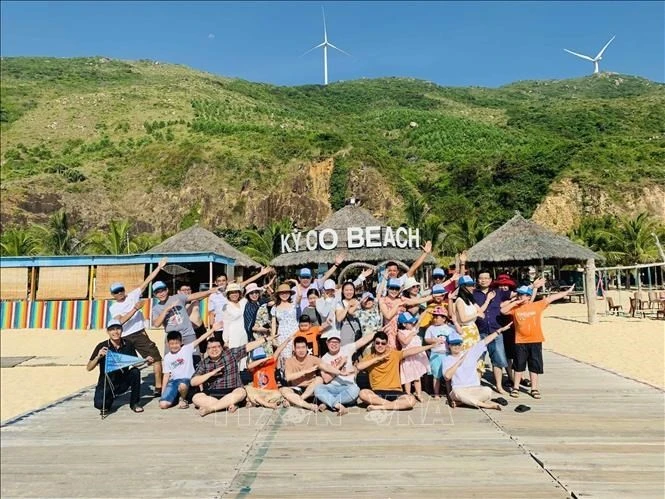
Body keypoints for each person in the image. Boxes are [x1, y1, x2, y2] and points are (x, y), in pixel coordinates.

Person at [500, 283, 575, 399]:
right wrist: (515, 302)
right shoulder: (515, 308)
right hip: (520, 341)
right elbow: (503, 311)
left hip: (535, 340)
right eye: (519, 294)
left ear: (529, 296)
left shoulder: (537, 305)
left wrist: (566, 292)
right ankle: (516, 387)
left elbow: (551, 298)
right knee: (519, 365)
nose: (520, 296)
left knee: (534, 364)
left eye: (523, 295)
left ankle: (534, 388)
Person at [109, 257, 167, 396]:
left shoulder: (133, 295)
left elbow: (147, 281)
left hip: (139, 333)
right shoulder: (114, 307)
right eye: (116, 292)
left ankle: (159, 387)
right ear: (112, 295)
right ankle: (123, 387)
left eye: (121, 290)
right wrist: (135, 309)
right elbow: (120, 321)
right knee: (130, 364)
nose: (119, 293)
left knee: (156, 358)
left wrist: (159, 267)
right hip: (126, 336)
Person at [356, 331, 437, 411]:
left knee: (411, 400)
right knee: (363, 393)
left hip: (395, 391)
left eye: (383, 343)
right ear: (373, 343)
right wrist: (377, 359)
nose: (380, 345)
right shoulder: (369, 358)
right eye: (377, 343)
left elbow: (412, 350)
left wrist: (431, 346)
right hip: (377, 393)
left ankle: (381, 407)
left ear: (387, 344)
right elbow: (359, 367)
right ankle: (390, 405)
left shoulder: (393, 354)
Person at [190, 334, 269, 417]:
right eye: (210, 348)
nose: (214, 350)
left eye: (217, 347)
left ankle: (210, 409)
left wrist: (264, 339)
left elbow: (247, 347)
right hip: (213, 393)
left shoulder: (230, 354)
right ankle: (228, 405)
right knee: (196, 398)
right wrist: (211, 374)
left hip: (232, 390)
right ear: (207, 350)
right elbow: (193, 382)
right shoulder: (204, 363)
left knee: (241, 393)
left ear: (222, 347)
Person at [87, 319, 154, 416]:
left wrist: (146, 361)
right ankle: (110, 397)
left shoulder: (128, 344)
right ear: (108, 332)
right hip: (107, 383)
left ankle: (134, 403)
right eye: (112, 329)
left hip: (123, 381)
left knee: (135, 372)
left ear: (122, 330)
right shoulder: (102, 346)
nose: (115, 332)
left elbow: (135, 363)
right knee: (101, 405)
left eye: (118, 329)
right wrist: (98, 356)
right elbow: (89, 368)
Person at [443, 326, 512, 411]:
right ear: (449, 345)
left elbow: (485, 341)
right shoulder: (447, 359)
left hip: (474, 388)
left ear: (462, 344)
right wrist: (459, 362)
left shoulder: (469, 353)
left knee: (488, 391)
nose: (456, 346)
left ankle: (462, 402)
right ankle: (486, 405)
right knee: (458, 394)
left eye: (458, 343)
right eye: (453, 344)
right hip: (459, 389)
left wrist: (499, 331)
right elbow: (447, 377)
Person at [152, 280, 220, 355]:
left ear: (167, 290)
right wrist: (165, 310)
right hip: (172, 338)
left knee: (195, 359)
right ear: (154, 294)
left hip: (188, 335)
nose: (161, 294)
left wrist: (209, 291)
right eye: (157, 292)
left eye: (162, 290)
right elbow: (156, 324)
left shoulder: (177, 297)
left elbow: (194, 296)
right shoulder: (156, 308)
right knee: (173, 361)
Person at [314, 330, 374, 415]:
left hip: (348, 386)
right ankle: (339, 405)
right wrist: (340, 364)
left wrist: (377, 332)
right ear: (327, 343)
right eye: (331, 342)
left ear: (340, 343)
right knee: (318, 389)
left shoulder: (346, 349)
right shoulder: (324, 358)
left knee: (355, 390)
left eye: (336, 342)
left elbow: (362, 341)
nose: (334, 344)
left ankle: (329, 403)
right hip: (332, 387)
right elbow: (326, 379)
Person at [280, 336, 345, 412]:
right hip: (297, 388)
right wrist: (305, 371)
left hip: (312, 389)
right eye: (298, 348)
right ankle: (309, 406)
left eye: (303, 347)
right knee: (283, 389)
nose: (301, 350)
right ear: (294, 349)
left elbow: (326, 366)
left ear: (307, 348)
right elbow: (288, 377)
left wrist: (340, 372)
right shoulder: (289, 361)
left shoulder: (313, 359)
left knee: (319, 379)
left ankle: (298, 400)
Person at [159, 325, 216, 410]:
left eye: (176, 343)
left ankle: (182, 399)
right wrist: (162, 393)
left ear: (181, 342)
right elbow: (166, 376)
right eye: (172, 344)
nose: (174, 346)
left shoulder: (186, 349)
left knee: (182, 385)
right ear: (167, 344)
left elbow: (200, 339)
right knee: (163, 405)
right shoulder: (167, 357)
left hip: (187, 380)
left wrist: (213, 329)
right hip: (174, 382)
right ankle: (174, 397)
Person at [245, 332, 293, 409]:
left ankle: (258, 402)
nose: (261, 361)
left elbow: (278, 350)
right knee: (248, 388)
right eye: (258, 359)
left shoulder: (270, 364)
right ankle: (267, 404)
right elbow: (249, 366)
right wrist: (263, 359)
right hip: (259, 391)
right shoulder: (254, 367)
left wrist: (287, 340)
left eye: (261, 358)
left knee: (277, 394)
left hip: (271, 392)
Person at [452, 275, 483, 375]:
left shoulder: (470, 299)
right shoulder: (459, 301)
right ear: (463, 287)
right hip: (465, 331)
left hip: (473, 329)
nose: (472, 287)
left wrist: (487, 301)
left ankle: (476, 383)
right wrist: (476, 314)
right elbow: (463, 318)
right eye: (469, 285)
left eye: (473, 285)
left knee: (477, 356)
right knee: (466, 357)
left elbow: (481, 311)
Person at [396, 312, 429, 402]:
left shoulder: (413, 329)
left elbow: (419, 321)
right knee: (408, 378)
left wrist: (426, 311)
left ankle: (418, 393)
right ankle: (408, 394)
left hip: (416, 357)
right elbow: (405, 342)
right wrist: (411, 334)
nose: (413, 324)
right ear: (404, 324)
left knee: (417, 377)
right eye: (410, 322)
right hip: (407, 357)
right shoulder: (400, 332)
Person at [424, 307, 455, 400]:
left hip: (446, 353)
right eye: (434, 317)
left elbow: (454, 339)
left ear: (444, 318)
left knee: (447, 375)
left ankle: (449, 393)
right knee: (436, 375)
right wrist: (434, 340)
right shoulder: (431, 328)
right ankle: (436, 393)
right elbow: (426, 339)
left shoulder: (450, 328)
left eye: (437, 317)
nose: (435, 319)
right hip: (436, 354)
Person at [271, 283, 300, 367]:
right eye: (282, 293)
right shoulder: (275, 308)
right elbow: (273, 324)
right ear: (278, 294)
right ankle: (284, 377)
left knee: (296, 353)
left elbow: (300, 295)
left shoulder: (294, 304)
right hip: (282, 334)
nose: (284, 295)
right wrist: (273, 337)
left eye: (286, 292)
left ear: (290, 294)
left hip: (294, 332)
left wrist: (295, 282)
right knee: (283, 355)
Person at [179, 283, 208, 355]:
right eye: (184, 290)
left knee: (202, 350)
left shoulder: (196, 299)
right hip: (188, 331)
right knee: (190, 351)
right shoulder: (178, 303)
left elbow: (206, 294)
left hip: (200, 328)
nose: (186, 291)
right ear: (179, 292)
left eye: (188, 289)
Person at [335, 281, 362, 346]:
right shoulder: (340, 303)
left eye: (351, 290)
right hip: (346, 332)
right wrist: (348, 306)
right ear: (343, 291)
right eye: (346, 290)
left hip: (359, 330)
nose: (349, 292)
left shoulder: (358, 302)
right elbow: (339, 319)